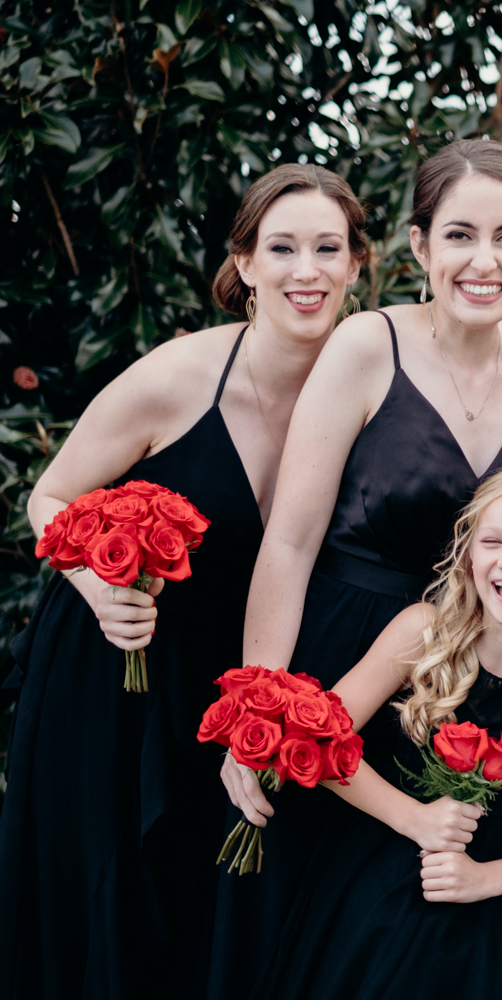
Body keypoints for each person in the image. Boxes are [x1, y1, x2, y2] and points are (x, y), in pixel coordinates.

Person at [210, 138, 502, 999]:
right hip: (342, 653)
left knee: (427, 929)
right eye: (460, 236)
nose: (484, 262)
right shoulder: (367, 346)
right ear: (419, 247)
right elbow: (290, 542)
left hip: (468, 680)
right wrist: (258, 709)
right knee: (312, 918)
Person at [0, 165, 366, 999]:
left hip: (235, 690)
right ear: (243, 263)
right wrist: (100, 587)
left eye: (327, 249)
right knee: (108, 908)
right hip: (116, 677)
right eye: (282, 248)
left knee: (208, 922)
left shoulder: (366, 384)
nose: (305, 271)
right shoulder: (177, 377)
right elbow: (49, 494)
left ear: (357, 266)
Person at [253, 465, 502, 999]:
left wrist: (486, 881)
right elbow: (312, 740)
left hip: (496, 905)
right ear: (470, 552)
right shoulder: (422, 632)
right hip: (383, 873)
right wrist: (414, 818)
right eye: (492, 540)